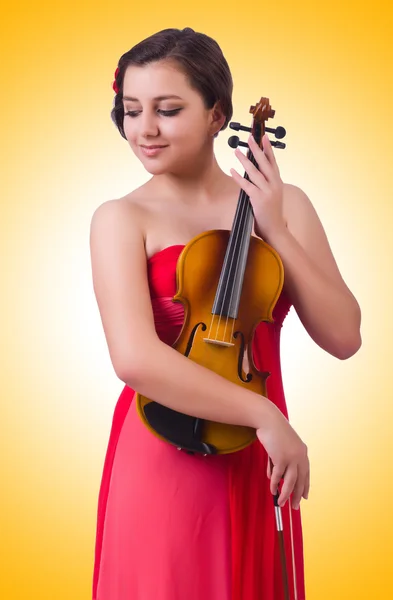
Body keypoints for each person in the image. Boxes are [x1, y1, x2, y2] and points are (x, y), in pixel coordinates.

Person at [89, 27, 362, 600]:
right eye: (131, 110)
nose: (145, 129)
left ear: (218, 115)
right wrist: (265, 417)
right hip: (166, 444)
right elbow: (134, 357)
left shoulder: (286, 207)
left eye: (167, 110)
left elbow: (344, 336)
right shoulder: (120, 218)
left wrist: (277, 230)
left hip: (260, 456)